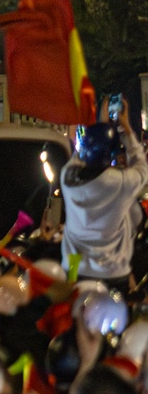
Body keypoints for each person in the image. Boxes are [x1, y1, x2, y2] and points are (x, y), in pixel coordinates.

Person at [59, 106, 146, 287]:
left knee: (73, 312)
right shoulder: (120, 183)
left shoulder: (68, 177)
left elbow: (79, 155)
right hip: (112, 274)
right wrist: (126, 130)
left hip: (75, 268)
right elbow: (141, 168)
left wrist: (95, 122)